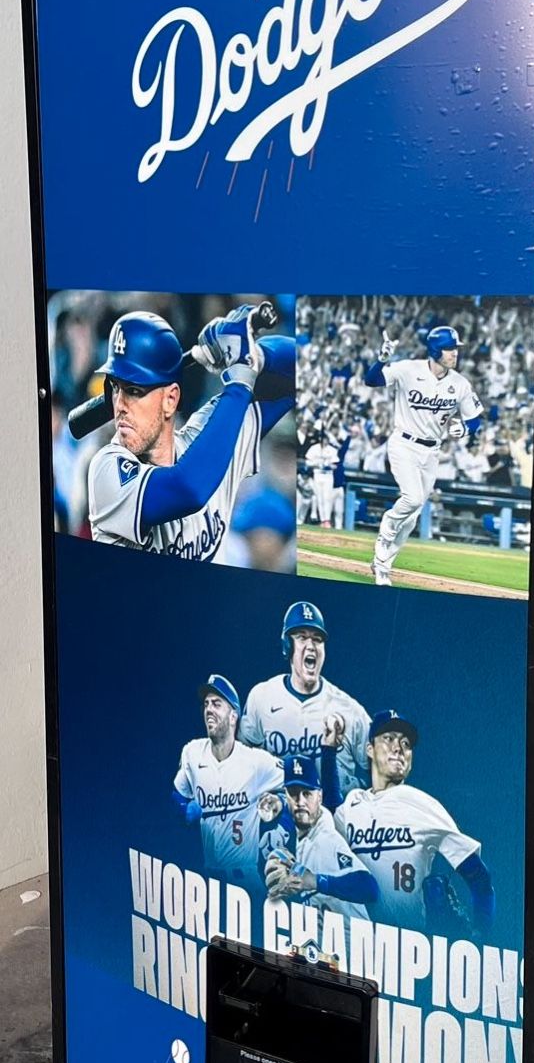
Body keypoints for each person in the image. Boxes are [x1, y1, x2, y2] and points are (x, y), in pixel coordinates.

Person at [88, 304, 294, 561]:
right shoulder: (106, 469)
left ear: (170, 399)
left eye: (134, 391)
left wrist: (255, 355)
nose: (119, 406)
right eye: (115, 388)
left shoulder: (210, 438)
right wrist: (240, 381)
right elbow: (188, 489)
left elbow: (298, 365)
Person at [334, 710, 494, 935]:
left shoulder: (421, 804)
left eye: (406, 743)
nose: (398, 748)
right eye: (388, 738)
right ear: (369, 749)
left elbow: (479, 876)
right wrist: (328, 749)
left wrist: (482, 934)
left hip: (408, 949)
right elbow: (326, 814)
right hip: (354, 948)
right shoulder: (352, 803)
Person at [364, 325, 483, 585]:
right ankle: (386, 530)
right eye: (450, 349)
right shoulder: (408, 369)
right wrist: (381, 360)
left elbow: (475, 419)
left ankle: (383, 564)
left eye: (455, 349)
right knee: (413, 498)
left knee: (413, 516)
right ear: (435, 350)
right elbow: (371, 380)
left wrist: (464, 428)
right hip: (404, 444)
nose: (455, 354)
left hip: (432, 451)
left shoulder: (460, 383)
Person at [239, 600, 370, 794]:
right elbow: (241, 758)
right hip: (280, 817)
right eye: (302, 637)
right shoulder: (262, 697)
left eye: (317, 639)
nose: (311, 646)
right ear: (287, 646)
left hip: (333, 819)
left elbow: (380, 765)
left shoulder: (348, 708)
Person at [172, 675, 283, 900]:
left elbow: (297, 778)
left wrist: (280, 803)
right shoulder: (193, 753)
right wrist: (183, 809)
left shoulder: (256, 762)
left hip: (246, 880)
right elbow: (177, 793)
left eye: (216, 704)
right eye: (206, 704)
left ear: (234, 716)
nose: (209, 709)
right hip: (207, 880)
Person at [261, 755, 377, 940]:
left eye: (307, 793)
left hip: (356, 954)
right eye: (293, 793)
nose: (300, 801)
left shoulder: (326, 840)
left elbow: (370, 888)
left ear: (319, 796)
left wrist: (315, 881)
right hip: (326, 953)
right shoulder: (299, 835)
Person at [304, 430, 340, 527]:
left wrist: (327, 465)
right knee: (319, 497)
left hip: (327, 475)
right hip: (317, 474)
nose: (324, 441)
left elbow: (335, 465)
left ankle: (327, 519)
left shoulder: (332, 450)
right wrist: (317, 464)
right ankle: (322, 519)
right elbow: (307, 462)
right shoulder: (314, 448)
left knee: (327, 497)